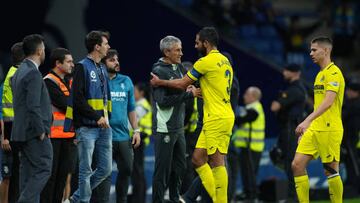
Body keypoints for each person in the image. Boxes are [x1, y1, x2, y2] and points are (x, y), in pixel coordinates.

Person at [151, 27, 235, 203]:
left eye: (197, 42)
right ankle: (215, 196)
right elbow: (211, 86)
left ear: (206, 43)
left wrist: (160, 82)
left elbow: (182, 83)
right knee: (197, 160)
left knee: (217, 163)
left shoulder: (205, 62)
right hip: (219, 115)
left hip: (216, 118)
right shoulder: (224, 61)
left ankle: (221, 201)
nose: (195, 45)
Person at [292, 36, 345, 203]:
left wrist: (306, 121)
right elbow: (318, 106)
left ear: (326, 50)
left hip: (330, 128)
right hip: (315, 128)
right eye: (310, 50)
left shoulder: (334, 73)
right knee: (297, 165)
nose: (311, 53)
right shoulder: (320, 75)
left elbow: (328, 102)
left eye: (314, 50)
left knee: (330, 170)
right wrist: (310, 125)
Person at [64, 30, 112, 203]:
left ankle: (76, 199)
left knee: (105, 169)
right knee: (84, 170)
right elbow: (77, 99)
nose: (108, 47)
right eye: (106, 44)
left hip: (105, 127)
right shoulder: (82, 66)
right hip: (87, 127)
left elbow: (107, 98)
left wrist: (108, 117)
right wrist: (96, 117)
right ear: (97, 47)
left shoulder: (102, 67)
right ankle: (82, 200)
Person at [151, 35, 200, 203]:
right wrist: (188, 95)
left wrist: (189, 88)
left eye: (181, 49)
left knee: (180, 168)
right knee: (162, 171)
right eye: (177, 50)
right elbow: (162, 102)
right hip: (165, 128)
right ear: (167, 51)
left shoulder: (178, 67)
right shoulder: (158, 70)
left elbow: (181, 88)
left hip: (179, 129)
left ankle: (174, 199)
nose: (181, 53)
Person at [92, 49, 141, 203]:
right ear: (103, 62)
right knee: (103, 173)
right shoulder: (98, 82)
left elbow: (131, 109)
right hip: (103, 136)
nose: (117, 63)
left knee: (127, 169)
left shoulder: (126, 81)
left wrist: (136, 130)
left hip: (123, 136)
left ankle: (122, 200)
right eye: (112, 60)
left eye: (117, 59)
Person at [11, 34, 53, 203]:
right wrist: (41, 130)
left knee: (27, 175)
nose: (44, 52)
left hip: (20, 133)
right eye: (43, 49)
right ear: (39, 51)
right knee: (44, 168)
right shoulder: (33, 74)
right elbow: (33, 105)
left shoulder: (19, 71)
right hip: (34, 133)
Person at [40, 48, 75, 203]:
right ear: (57, 63)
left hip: (67, 137)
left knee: (62, 178)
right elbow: (65, 105)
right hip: (53, 137)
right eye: (68, 61)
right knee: (51, 178)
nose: (72, 64)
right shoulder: (48, 81)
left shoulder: (66, 81)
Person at [270, 63, 307, 201]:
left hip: (291, 130)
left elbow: (274, 107)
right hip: (290, 129)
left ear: (295, 72)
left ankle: (294, 197)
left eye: (287, 70)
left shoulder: (294, 90)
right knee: (287, 162)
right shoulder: (298, 89)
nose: (284, 72)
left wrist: (279, 104)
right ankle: (295, 196)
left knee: (292, 164)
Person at [0, 42, 24, 203]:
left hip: (18, 136)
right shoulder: (7, 83)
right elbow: (3, 113)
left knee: (16, 177)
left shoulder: (20, 77)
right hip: (8, 138)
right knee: (7, 178)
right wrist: (4, 138)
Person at [232, 86, 265, 202]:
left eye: (247, 94)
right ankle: (248, 194)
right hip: (247, 146)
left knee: (250, 172)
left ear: (253, 96)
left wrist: (234, 118)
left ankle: (251, 196)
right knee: (247, 172)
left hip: (251, 146)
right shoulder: (251, 108)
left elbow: (240, 120)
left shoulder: (254, 109)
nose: (244, 96)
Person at [130, 82, 152, 203]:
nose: (133, 94)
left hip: (139, 141)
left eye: (135, 91)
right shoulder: (139, 104)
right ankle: (137, 198)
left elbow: (131, 123)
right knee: (137, 171)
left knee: (137, 171)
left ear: (141, 93)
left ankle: (138, 199)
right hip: (137, 140)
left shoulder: (142, 106)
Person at [341, 79, 360, 189]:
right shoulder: (350, 103)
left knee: (353, 160)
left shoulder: (355, 104)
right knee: (348, 160)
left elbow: (343, 116)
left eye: (349, 90)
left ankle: (356, 183)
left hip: (351, 137)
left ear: (356, 92)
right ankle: (350, 181)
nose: (347, 92)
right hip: (348, 136)